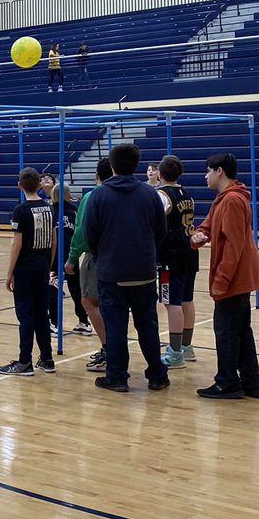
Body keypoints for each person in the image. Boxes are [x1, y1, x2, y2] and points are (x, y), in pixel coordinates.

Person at [83, 143, 169, 393]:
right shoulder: (150, 194)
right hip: (143, 270)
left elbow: (90, 236)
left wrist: (105, 256)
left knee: (116, 327)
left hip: (112, 272)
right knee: (148, 325)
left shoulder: (99, 196)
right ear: (137, 164)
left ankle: (117, 376)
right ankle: (157, 375)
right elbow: (160, 231)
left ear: (112, 165)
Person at [190, 153, 259, 399]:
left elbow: (234, 245)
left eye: (208, 170)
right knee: (241, 329)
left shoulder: (232, 200)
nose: (205, 175)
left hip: (235, 275)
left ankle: (227, 382)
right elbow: (208, 225)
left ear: (219, 171)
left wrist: (221, 280)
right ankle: (252, 381)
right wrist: (200, 235)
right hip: (241, 274)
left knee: (226, 330)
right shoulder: (224, 198)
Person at [0, 167, 56, 376]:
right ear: (39, 185)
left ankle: (25, 361)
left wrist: (9, 273)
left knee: (26, 315)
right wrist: (48, 264)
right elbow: (53, 240)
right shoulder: (49, 208)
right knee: (42, 313)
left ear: (19, 186)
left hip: (25, 268)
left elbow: (17, 244)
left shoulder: (20, 210)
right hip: (42, 266)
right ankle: (47, 359)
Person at [65, 157, 112, 369]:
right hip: (127, 258)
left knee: (89, 301)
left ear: (97, 176)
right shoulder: (137, 193)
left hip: (98, 256)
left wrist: (72, 258)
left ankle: (108, 348)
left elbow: (81, 232)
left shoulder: (93, 196)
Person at [155, 155, 199, 368]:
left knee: (171, 301)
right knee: (187, 299)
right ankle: (186, 347)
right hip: (189, 251)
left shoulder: (162, 195)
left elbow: (154, 223)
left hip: (170, 256)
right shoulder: (187, 195)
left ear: (160, 174)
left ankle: (174, 354)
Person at [49, 183, 89, 335]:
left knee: (53, 289)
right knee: (76, 290)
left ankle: (54, 323)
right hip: (71, 255)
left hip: (55, 256)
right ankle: (84, 321)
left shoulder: (52, 211)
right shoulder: (75, 211)